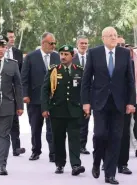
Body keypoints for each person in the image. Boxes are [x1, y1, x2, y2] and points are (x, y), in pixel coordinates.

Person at [81, 26, 135, 185]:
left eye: (115, 35)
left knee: (116, 137)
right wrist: (85, 102)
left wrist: (131, 102)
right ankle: (97, 161)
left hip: (119, 103)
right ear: (103, 38)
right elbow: (86, 80)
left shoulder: (125, 54)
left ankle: (110, 174)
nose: (113, 38)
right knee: (100, 134)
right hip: (99, 102)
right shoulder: (94, 53)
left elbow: (130, 80)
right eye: (110, 35)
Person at [41, 45, 86, 176]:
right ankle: (60, 164)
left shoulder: (79, 71)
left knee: (74, 138)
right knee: (58, 139)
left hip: (74, 110)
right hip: (57, 110)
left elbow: (85, 90)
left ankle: (76, 165)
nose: (63, 56)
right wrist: (45, 108)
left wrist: (86, 106)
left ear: (73, 56)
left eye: (66, 54)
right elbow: (45, 90)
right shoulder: (53, 70)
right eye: (61, 54)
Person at [21, 32, 59, 162]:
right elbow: (24, 78)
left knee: (52, 127)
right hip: (34, 99)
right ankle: (36, 150)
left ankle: (53, 153)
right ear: (43, 43)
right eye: (51, 43)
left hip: (52, 99)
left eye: (54, 43)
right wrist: (25, 95)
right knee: (35, 127)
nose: (53, 46)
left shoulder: (57, 57)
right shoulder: (31, 57)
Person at [0, 34, 23, 175]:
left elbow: (18, 85)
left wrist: (20, 105)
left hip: (7, 106)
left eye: (3, 46)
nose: (0, 49)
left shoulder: (13, 64)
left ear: (6, 48)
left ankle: (1, 165)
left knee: (3, 135)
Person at [5, 30, 26, 156]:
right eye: (10, 37)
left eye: (13, 37)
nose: (12, 39)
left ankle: (16, 147)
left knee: (15, 120)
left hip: (14, 91)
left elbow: (22, 74)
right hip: (0, 91)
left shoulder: (18, 53)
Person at [72, 35, 91, 154]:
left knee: (85, 120)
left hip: (89, 95)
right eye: (81, 43)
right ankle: (74, 144)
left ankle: (82, 146)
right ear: (77, 45)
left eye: (85, 43)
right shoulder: (72, 59)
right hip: (74, 94)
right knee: (74, 121)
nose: (84, 45)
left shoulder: (92, 58)